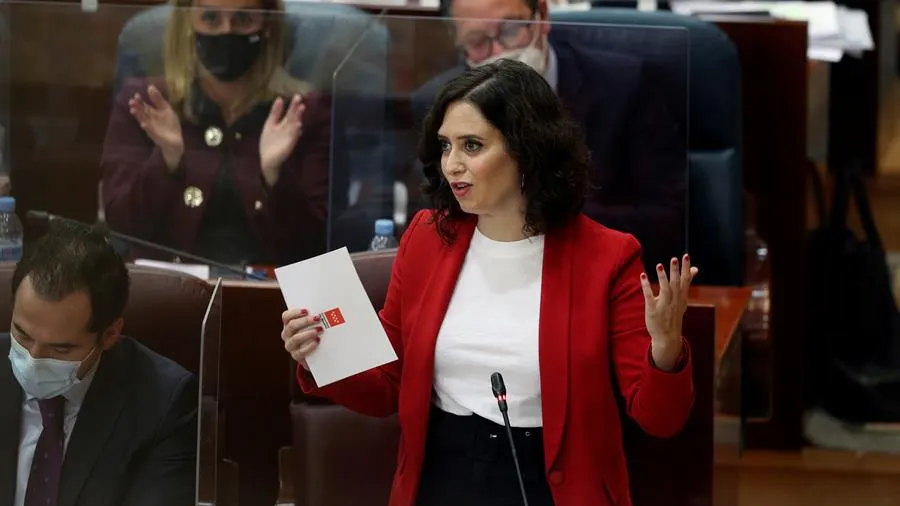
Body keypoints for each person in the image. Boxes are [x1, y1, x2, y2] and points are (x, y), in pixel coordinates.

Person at [282, 60, 696, 506]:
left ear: (527, 150)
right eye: (445, 146)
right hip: (441, 475)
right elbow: (388, 386)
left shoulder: (609, 258)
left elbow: (660, 420)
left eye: (472, 146)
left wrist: (666, 351)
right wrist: (319, 352)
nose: (452, 165)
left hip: (550, 484)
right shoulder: (426, 237)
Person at [408, 0, 686, 272]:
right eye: (477, 40)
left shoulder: (626, 86)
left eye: (510, 30)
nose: (500, 51)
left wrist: (537, 214)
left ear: (541, 15)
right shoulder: (437, 104)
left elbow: (668, 219)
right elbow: (438, 211)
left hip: (592, 271)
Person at [101, 0, 331, 268]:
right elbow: (122, 224)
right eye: (211, 18)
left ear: (268, 25)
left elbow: (317, 243)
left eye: (243, 19)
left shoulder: (303, 111)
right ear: (187, 23)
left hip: (270, 295)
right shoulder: (145, 104)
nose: (226, 31)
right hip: (172, 292)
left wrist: (274, 176)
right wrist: (167, 162)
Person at [0, 222, 198, 506]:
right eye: (23, 335)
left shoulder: (164, 406)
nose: (33, 359)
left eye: (60, 347)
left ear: (109, 335)